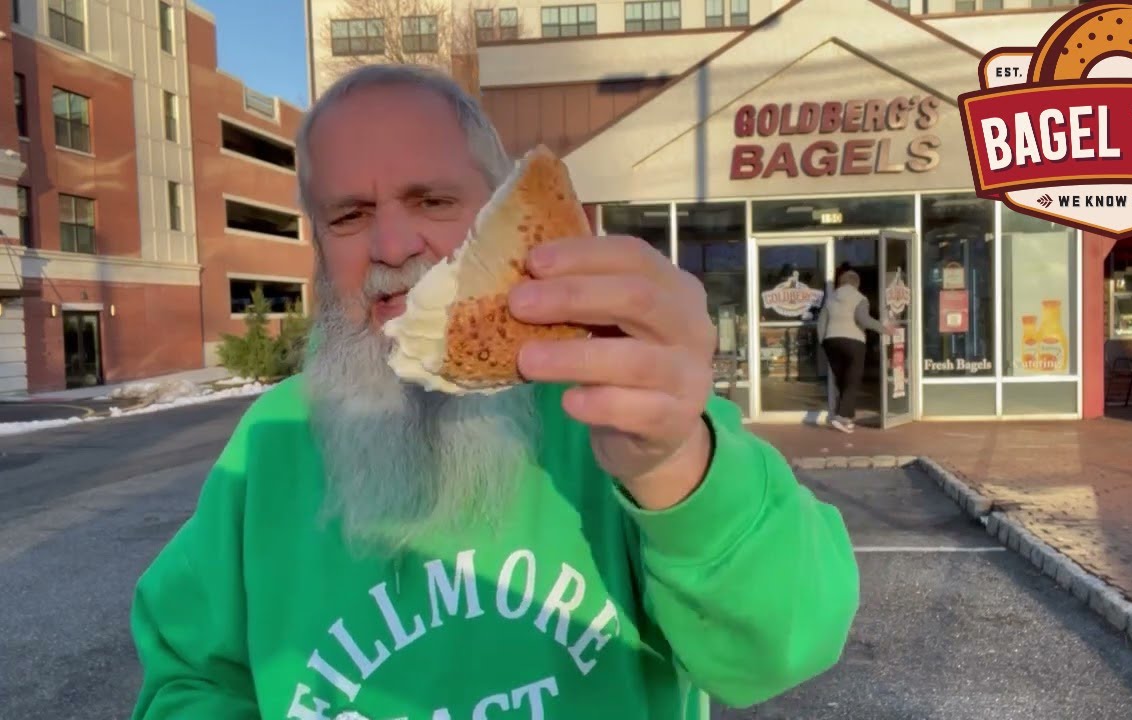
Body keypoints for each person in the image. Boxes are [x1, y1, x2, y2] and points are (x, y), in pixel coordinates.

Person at [128, 64, 858, 720]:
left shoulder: (615, 397)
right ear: (320, 248)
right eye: (348, 216)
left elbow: (784, 644)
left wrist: (674, 467)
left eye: (433, 201)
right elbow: (189, 678)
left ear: (502, 215)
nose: (390, 246)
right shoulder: (270, 442)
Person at [818, 267, 890, 433]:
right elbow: (863, 320)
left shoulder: (830, 300)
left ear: (841, 283)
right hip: (854, 342)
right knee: (852, 380)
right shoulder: (860, 298)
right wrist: (884, 329)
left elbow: (821, 324)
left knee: (842, 380)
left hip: (831, 341)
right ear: (856, 284)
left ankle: (846, 418)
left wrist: (824, 342)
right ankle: (841, 416)